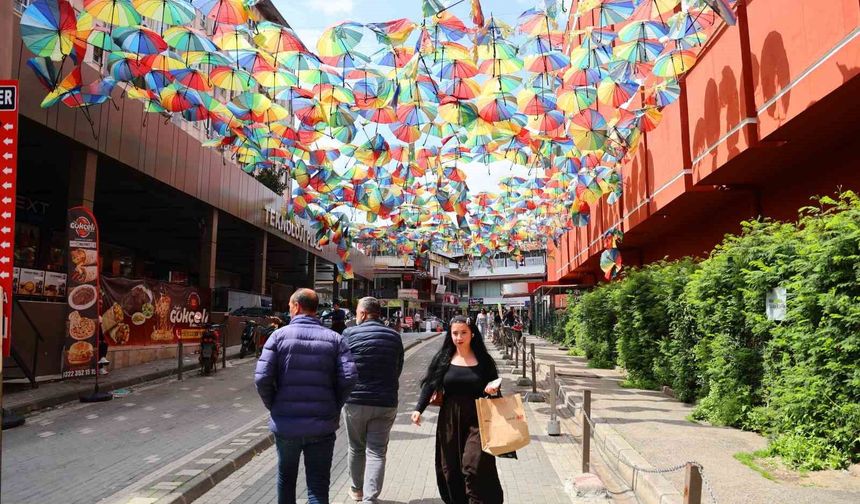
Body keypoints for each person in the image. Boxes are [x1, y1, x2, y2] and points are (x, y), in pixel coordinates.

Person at [255, 288, 357, 504]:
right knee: (318, 486)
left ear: (296, 306)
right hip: (322, 425)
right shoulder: (335, 339)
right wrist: (334, 405)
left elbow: (262, 378)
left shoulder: (278, 336)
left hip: (286, 425)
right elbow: (349, 377)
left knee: (286, 478)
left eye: (290, 306)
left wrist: (274, 404)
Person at [411, 316, 504, 503]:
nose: (458, 337)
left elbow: (496, 389)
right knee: (451, 469)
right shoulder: (444, 358)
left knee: (474, 466)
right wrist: (418, 409)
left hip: (478, 417)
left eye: (463, 333)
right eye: (455, 333)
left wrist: (492, 390)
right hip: (450, 419)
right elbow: (430, 384)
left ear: (472, 334)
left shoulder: (484, 361)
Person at [342, 297, 405, 503]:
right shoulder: (394, 336)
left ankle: (357, 490)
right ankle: (370, 499)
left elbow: (341, 369)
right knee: (377, 452)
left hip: (355, 401)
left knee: (356, 448)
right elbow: (398, 369)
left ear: (362, 314)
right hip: (385, 401)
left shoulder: (349, 334)